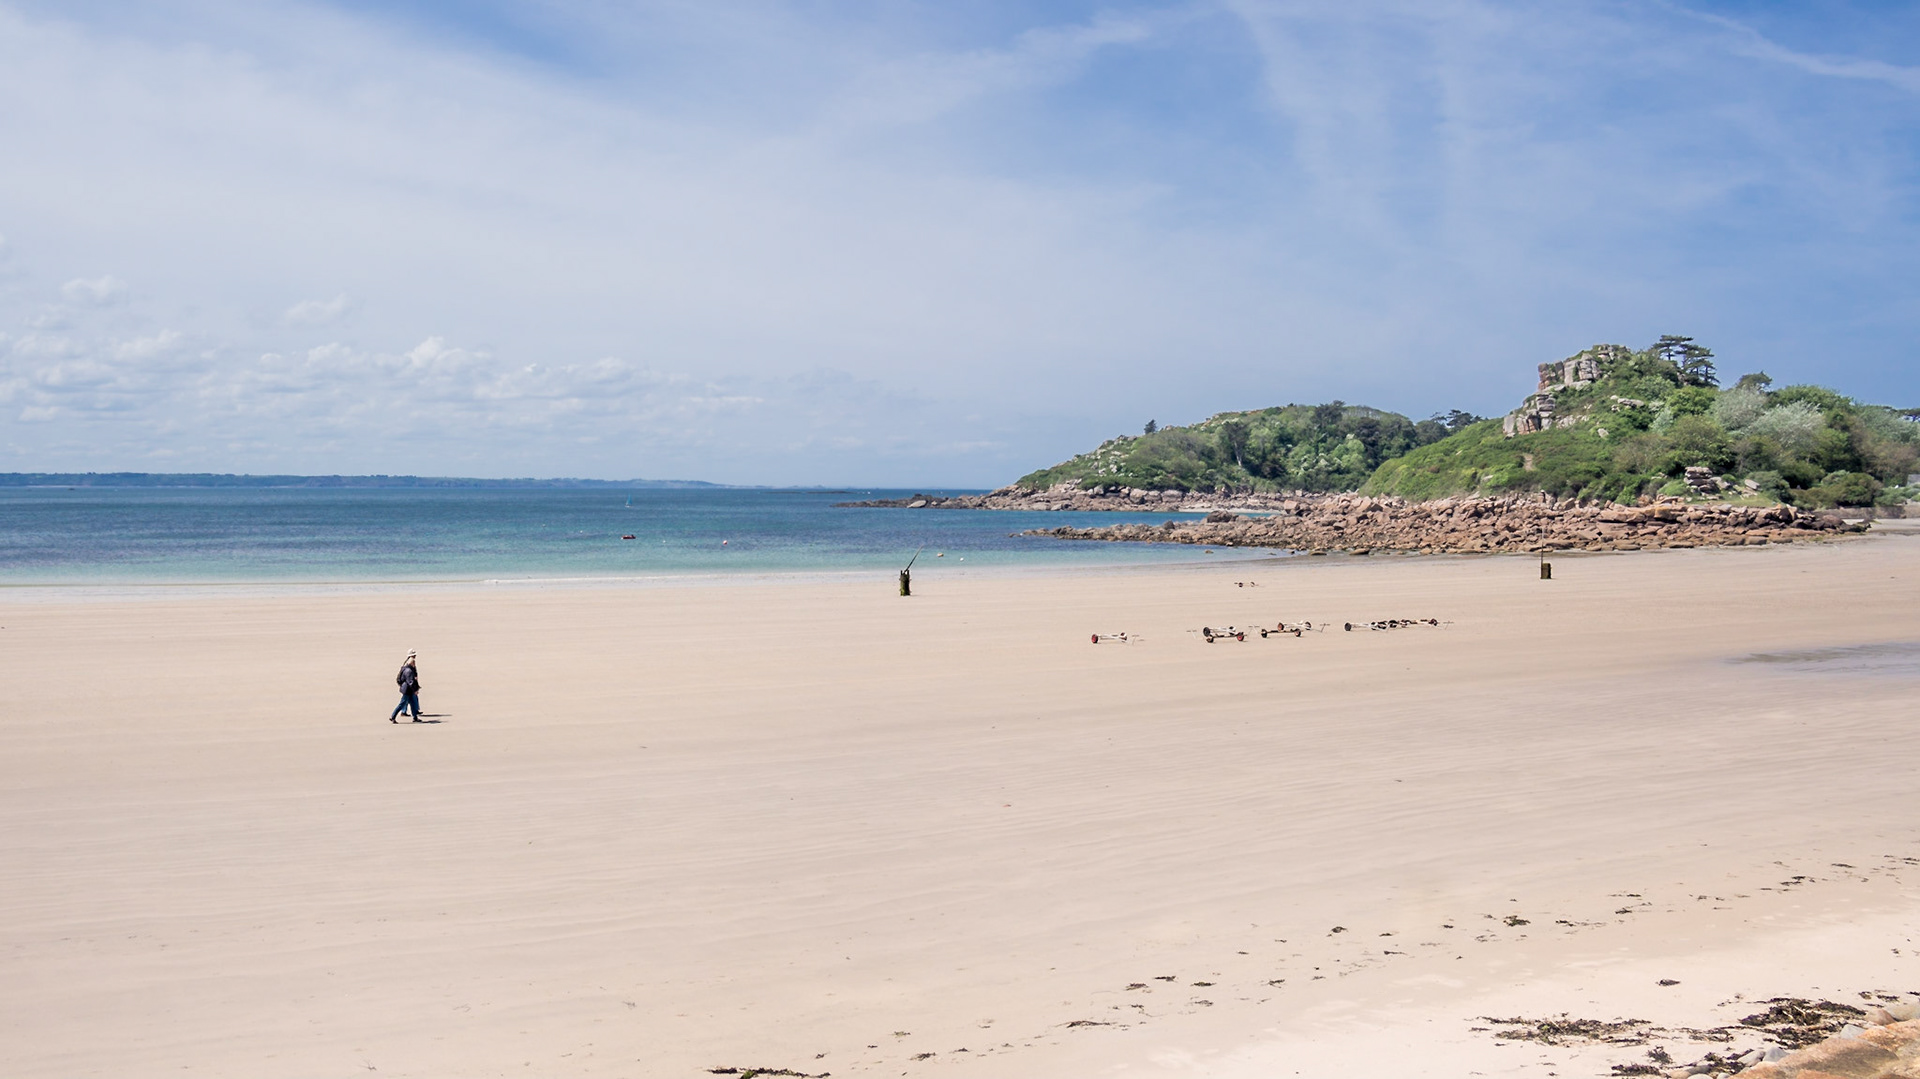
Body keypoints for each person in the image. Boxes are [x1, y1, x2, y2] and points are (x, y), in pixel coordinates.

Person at [389, 650, 422, 723]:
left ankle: (415, 717)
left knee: (412, 703)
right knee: (402, 704)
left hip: (407, 689)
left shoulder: (405, 668)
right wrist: (415, 690)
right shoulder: (409, 671)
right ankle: (393, 716)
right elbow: (411, 682)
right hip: (407, 690)